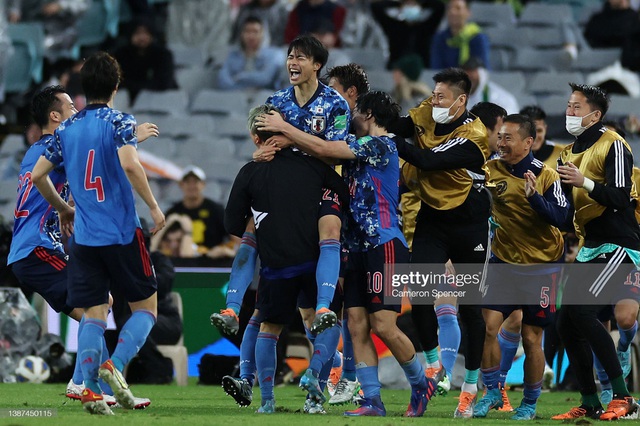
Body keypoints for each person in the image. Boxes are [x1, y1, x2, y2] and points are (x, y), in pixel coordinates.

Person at [256, 90, 434, 418]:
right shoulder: (354, 150)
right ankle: (372, 400)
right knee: (356, 325)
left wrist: (286, 129)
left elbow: (324, 148)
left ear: (367, 114)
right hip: (354, 248)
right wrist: (280, 142)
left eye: (355, 112)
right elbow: (321, 154)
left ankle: (420, 382)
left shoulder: (382, 144)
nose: (350, 117)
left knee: (383, 325)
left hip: (385, 244)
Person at [31, 51, 165, 416]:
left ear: (83, 89)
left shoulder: (66, 130)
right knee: (146, 308)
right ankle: (115, 365)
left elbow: (38, 175)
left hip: (85, 238)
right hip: (121, 232)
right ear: (116, 87)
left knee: (94, 311)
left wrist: (63, 209)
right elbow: (128, 163)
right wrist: (153, 206)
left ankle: (89, 388)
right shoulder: (120, 121)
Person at [224, 104, 349, 414]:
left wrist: (261, 220)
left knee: (268, 328)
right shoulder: (313, 166)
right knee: (325, 321)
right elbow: (343, 194)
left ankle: (266, 401)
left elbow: (230, 223)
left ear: (256, 138)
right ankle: (314, 395)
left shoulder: (250, 172)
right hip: (315, 261)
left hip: (275, 266)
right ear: (286, 133)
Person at [386, 67, 490, 418]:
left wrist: (386, 139)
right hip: (432, 218)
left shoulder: (474, 135)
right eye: (433, 94)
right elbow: (401, 126)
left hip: (470, 223)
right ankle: (433, 366)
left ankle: (471, 387)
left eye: (442, 96)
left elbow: (428, 161)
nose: (435, 101)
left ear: (461, 101)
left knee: (472, 309)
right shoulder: (427, 112)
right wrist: (374, 121)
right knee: (419, 295)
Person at [473, 114, 569, 420]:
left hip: (541, 266)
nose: (501, 143)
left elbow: (564, 219)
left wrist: (535, 200)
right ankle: (491, 391)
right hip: (503, 261)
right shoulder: (490, 169)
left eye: (508, 138)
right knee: (488, 327)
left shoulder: (546, 176)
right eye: (499, 137)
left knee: (531, 338)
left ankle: (529, 403)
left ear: (528, 142)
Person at [552, 83, 639, 421]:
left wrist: (584, 182)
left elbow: (620, 198)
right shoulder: (568, 151)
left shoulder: (614, 144)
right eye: (569, 105)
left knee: (584, 313)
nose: (569, 112)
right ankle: (590, 401)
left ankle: (623, 396)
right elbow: (564, 205)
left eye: (576, 107)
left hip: (618, 242)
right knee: (565, 325)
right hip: (590, 246)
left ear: (595, 114)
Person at [166, 166, 238, 259]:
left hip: (212, 262)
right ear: (181, 185)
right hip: (182, 263)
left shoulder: (216, 210)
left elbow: (235, 237)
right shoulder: (173, 212)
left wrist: (228, 251)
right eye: (187, 182)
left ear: (203, 184)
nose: (191, 186)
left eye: (195, 182)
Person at [114, 17, 178, 105]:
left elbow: (164, 82)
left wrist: (137, 87)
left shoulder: (163, 55)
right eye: (137, 33)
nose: (142, 37)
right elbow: (119, 81)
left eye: (145, 33)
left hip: (162, 99)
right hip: (130, 100)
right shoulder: (121, 54)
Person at [370, 0, 445, 69]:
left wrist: (421, 4)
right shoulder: (393, 27)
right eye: (408, 5)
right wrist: (399, 4)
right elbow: (376, 7)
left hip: (422, 70)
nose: (410, 7)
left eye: (413, 5)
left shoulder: (427, 27)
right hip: (396, 69)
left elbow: (440, 7)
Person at [217, 16, 282, 91]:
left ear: (262, 34)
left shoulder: (273, 55)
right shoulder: (232, 55)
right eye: (247, 31)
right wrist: (241, 90)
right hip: (234, 98)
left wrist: (240, 77)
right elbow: (223, 82)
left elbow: (265, 78)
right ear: (242, 34)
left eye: (255, 32)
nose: (251, 36)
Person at [430, 0, 490, 70]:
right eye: (449, 8)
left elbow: (482, 70)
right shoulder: (439, 38)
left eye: (458, 8)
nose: (452, 12)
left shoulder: (477, 37)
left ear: (468, 12)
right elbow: (436, 68)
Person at [519, 105, 566, 170]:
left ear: (545, 129)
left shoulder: (564, 154)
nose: (534, 136)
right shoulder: (508, 156)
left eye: (539, 131)